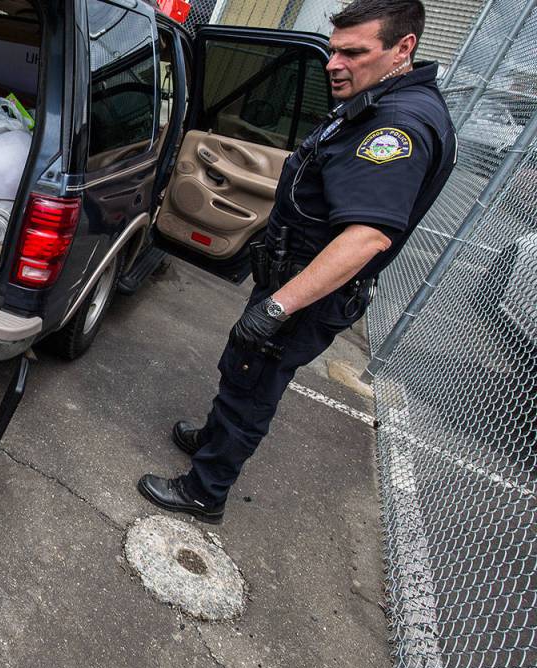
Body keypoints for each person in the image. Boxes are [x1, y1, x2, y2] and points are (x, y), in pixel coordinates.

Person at [137, 0, 456, 524]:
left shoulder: (396, 129)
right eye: (333, 51)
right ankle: (211, 441)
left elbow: (367, 237)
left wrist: (279, 307)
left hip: (308, 293)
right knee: (242, 369)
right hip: (296, 280)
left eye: (353, 53)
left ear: (404, 48)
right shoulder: (382, 100)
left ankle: (205, 490)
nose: (335, 64)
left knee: (253, 383)